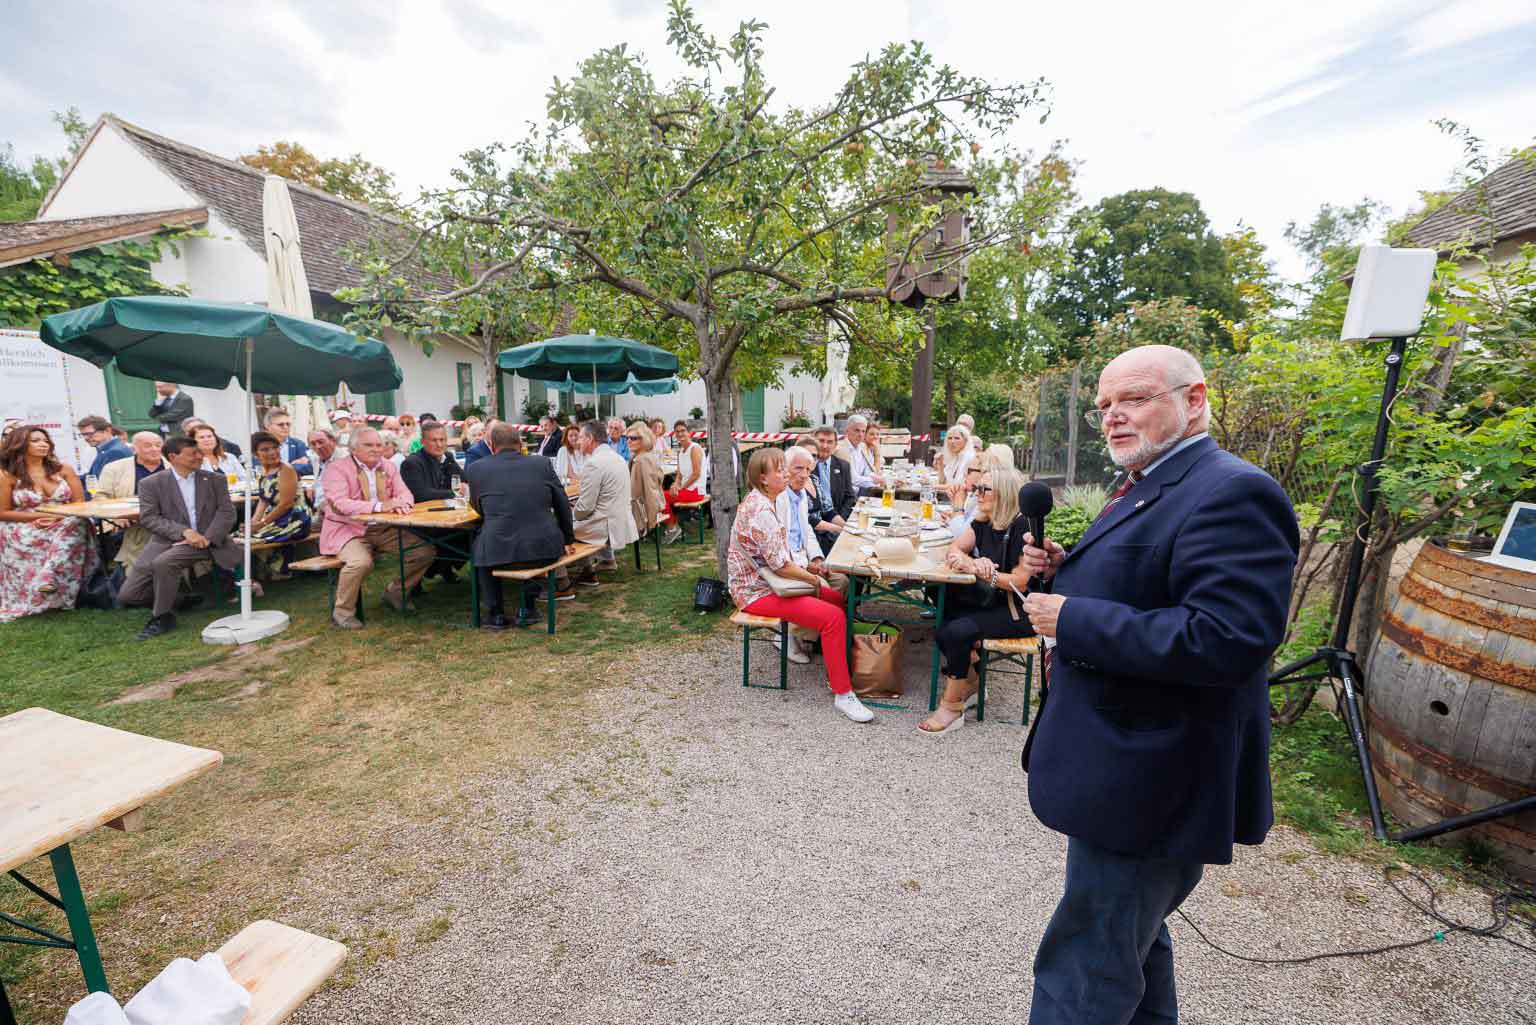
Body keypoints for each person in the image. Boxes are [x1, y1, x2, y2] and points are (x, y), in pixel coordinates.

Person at [1017, 345, 1299, 1025]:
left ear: (1194, 398)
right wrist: (1068, 572)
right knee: (1130, 941)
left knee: (1083, 966)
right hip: (1127, 770)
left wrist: (1075, 615)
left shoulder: (1233, 490)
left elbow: (1227, 639)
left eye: (1134, 398)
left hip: (1153, 779)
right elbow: (1152, 584)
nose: (1114, 416)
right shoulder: (1154, 479)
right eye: (1106, 405)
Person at [728, 447, 872, 723]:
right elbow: (780, 565)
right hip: (755, 591)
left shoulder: (767, 499)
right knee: (832, 616)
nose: (786, 474)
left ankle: (845, 662)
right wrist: (812, 580)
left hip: (771, 580)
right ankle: (843, 693)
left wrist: (814, 575)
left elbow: (787, 550)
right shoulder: (761, 510)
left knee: (837, 599)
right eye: (780, 470)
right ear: (763, 478)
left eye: (785, 468)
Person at [917, 465, 1033, 735]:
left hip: (1018, 611)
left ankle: (952, 706)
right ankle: (972, 681)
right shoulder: (983, 519)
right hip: (989, 602)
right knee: (942, 618)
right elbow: (956, 549)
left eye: (984, 489)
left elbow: (1020, 582)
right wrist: (973, 562)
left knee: (956, 633)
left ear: (1003, 493)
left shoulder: (1023, 526)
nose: (976, 493)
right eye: (976, 487)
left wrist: (986, 575)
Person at [118, 436, 239, 639]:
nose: (200, 456)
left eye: (199, 452)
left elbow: (227, 513)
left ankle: (162, 617)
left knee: (164, 563)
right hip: (167, 540)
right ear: (173, 457)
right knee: (129, 595)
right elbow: (149, 518)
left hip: (207, 540)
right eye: (193, 454)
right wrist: (184, 533)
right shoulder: (150, 483)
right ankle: (181, 599)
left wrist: (206, 538)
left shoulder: (215, 480)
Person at [318, 427, 437, 628]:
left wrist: (403, 506)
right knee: (360, 562)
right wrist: (381, 506)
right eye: (368, 445)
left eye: (378, 445)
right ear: (353, 448)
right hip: (346, 529)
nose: (375, 449)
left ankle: (395, 593)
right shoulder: (336, 469)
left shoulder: (388, 466)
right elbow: (340, 504)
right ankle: (342, 613)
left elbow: (406, 495)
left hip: (382, 527)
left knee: (423, 552)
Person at [463, 422, 576, 629]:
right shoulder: (541, 464)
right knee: (524, 544)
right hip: (545, 547)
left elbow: (478, 507)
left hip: (499, 550)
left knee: (481, 550)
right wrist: (568, 539)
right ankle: (528, 608)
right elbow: (562, 504)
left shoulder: (477, 469)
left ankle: (495, 613)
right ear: (520, 442)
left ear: (492, 444)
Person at [0, 426, 95, 622]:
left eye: (45, 440)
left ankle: (48, 576)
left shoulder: (63, 470)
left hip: (65, 519)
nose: (43, 444)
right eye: (35, 440)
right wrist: (35, 518)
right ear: (19, 445)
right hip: (25, 524)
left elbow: (79, 504)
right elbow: (2, 512)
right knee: (67, 527)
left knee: (76, 523)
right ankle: (45, 583)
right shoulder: (7, 475)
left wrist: (57, 515)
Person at [773, 445, 837, 664]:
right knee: (825, 587)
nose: (803, 475)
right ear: (784, 468)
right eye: (798, 468)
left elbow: (806, 530)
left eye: (808, 470)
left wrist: (817, 558)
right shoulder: (778, 497)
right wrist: (804, 566)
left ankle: (805, 634)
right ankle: (786, 635)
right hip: (784, 565)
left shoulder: (799, 495)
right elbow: (779, 545)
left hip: (802, 559)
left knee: (843, 582)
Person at [570, 420, 639, 580]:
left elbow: (585, 507)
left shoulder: (594, 463)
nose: (577, 441)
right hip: (621, 521)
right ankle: (606, 560)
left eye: (580, 437)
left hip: (605, 527)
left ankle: (579, 573)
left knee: (561, 525)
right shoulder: (618, 458)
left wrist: (572, 514)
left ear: (590, 439)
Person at [245, 431, 312, 578]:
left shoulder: (286, 470)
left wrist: (262, 523)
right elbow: (263, 500)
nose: (272, 452)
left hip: (294, 518)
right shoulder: (263, 472)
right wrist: (253, 522)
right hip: (276, 517)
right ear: (255, 454)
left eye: (275, 447)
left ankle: (275, 571)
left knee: (248, 539)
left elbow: (286, 504)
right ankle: (251, 576)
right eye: (265, 449)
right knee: (240, 535)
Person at [808, 425, 855, 555]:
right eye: (821, 441)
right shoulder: (805, 468)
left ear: (835, 446)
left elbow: (850, 497)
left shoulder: (843, 465)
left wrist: (841, 520)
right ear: (813, 442)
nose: (825, 446)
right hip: (814, 526)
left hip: (835, 517)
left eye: (829, 442)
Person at [400, 422, 465, 501]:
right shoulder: (411, 463)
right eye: (434, 440)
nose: (439, 445)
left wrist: (463, 484)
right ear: (422, 442)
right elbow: (420, 494)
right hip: (424, 511)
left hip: (449, 508)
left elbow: (463, 478)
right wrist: (453, 493)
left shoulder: (448, 457)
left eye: (442, 440)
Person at [626, 421, 665, 542]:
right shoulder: (637, 457)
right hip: (636, 509)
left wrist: (651, 520)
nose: (629, 441)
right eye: (627, 438)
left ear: (644, 440)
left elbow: (651, 490)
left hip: (641, 513)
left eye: (633, 438)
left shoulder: (643, 460)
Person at [664, 420, 708, 526]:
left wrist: (681, 487)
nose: (680, 434)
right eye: (677, 431)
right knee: (662, 494)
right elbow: (679, 475)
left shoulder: (694, 448)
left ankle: (672, 526)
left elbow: (696, 474)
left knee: (661, 497)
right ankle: (673, 523)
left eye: (683, 430)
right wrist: (675, 485)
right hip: (685, 489)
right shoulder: (680, 452)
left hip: (695, 491)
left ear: (689, 432)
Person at [840, 414, 883, 495]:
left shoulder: (861, 447)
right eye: (857, 430)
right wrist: (878, 480)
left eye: (863, 431)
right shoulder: (842, 449)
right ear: (847, 431)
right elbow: (853, 479)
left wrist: (884, 479)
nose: (860, 435)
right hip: (847, 496)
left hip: (860, 492)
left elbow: (868, 472)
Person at [78, 415, 131, 481]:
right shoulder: (106, 449)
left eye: (90, 434)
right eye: (83, 435)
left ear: (107, 430)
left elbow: (102, 483)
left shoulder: (114, 452)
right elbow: (92, 476)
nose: (86, 438)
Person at [306, 428, 346, 515]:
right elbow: (321, 478)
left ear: (333, 441)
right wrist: (313, 487)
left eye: (321, 442)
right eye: (313, 444)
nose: (318, 446)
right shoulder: (315, 458)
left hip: (335, 511)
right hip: (318, 508)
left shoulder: (345, 459)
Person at [263, 408, 313, 474]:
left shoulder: (298, 444)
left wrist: (288, 468)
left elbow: (310, 466)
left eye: (288, 424)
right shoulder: (259, 446)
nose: (286, 427)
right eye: (281, 424)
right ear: (268, 427)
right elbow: (259, 468)